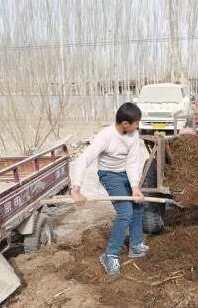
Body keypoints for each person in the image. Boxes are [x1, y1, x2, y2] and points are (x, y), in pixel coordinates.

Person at [70, 102, 146, 275]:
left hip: (125, 172)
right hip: (109, 175)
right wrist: (76, 188)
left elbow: (132, 162)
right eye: (136, 123)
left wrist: (134, 187)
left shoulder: (133, 135)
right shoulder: (105, 136)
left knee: (139, 205)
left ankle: (135, 246)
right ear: (125, 124)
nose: (138, 126)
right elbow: (83, 160)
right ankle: (109, 255)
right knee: (125, 213)